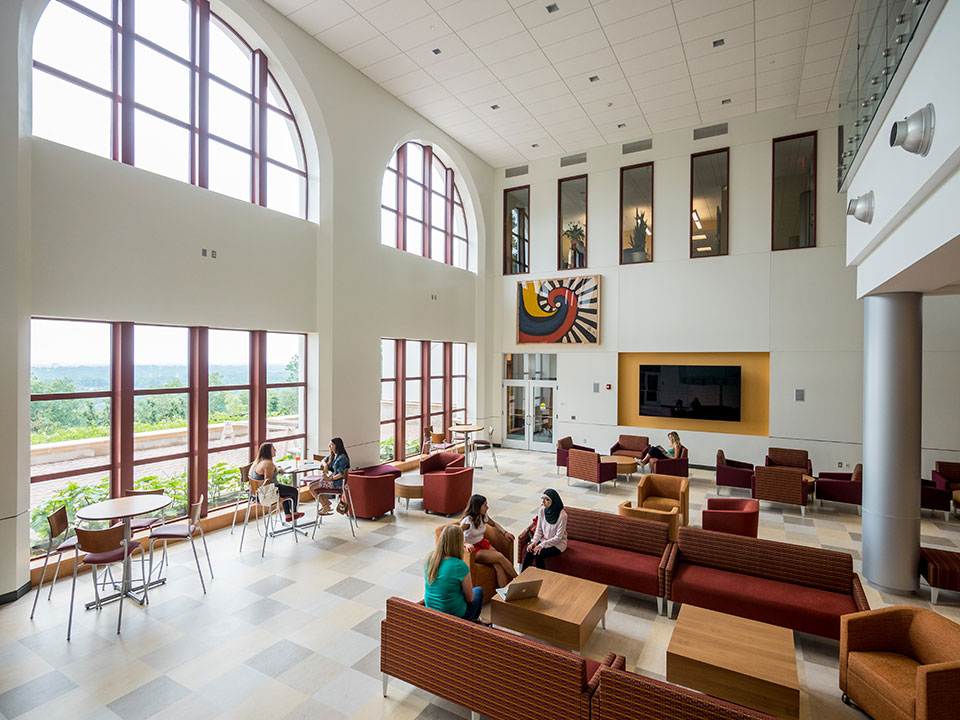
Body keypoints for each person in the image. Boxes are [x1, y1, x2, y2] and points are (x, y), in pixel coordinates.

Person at [424, 524, 484, 622]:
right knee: (478, 591)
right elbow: (470, 599)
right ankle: (473, 620)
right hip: (454, 616)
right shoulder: (460, 566)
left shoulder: (430, 559)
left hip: (431, 611)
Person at [460, 494, 517, 589]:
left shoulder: (483, 516)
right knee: (500, 557)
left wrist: (505, 532)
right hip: (474, 549)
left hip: (483, 543)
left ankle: (504, 593)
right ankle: (518, 579)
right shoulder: (467, 521)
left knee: (497, 564)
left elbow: (494, 524)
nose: (487, 507)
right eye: (485, 505)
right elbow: (455, 535)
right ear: (478, 507)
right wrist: (465, 544)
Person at [250, 442, 303, 522]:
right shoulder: (268, 464)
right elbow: (268, 482)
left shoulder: (260, 462)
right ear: (268, 451)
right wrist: (277, 497)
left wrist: (277, 470)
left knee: (285, 490)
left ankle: (288, 514)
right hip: (265, 494)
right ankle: (294, 513)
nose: (275, 450)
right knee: (293, 491)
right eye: (273, 448)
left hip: (257, 493)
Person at [521, 489, 567, 570]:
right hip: (544, 539)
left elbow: (558, 538)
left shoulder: (562, 515)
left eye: (547, 499)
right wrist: (534, 542)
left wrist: (541, 545)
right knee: (530, 551)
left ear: (554, 501)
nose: (544, 501)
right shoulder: (542, 510)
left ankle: (542, 578)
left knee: (538, 554)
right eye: (543, 498)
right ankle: (521, 577)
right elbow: (539, 530)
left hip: (558, 544)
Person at [308, 437, 350, 515]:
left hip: (336, 483)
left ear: (337, 446)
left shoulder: (342, 458)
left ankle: (325, 505)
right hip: (331, 480)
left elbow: (341, 474)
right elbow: (323, 460)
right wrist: (325, 465)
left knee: (312, 488)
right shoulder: (333, 455)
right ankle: (326, 503)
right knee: (311, 485)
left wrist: (330, 478)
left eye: (331, 444)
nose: (329, 446)